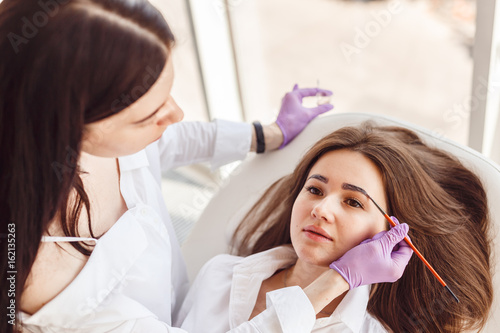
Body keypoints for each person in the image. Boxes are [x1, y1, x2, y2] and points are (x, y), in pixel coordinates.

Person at [0, 0, 335, 332]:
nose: (176, 114)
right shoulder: (42, 277)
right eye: (150, 115)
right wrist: (333, 283)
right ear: (70, 128)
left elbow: (167, 140)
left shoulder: (93, 139)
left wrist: (266, 134)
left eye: (167, 94)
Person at [176, 123, 494, 332]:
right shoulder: (221, 275)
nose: (321, 209)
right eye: (315, 189)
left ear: (391, 234)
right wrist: (336, 280)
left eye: (353, 201)